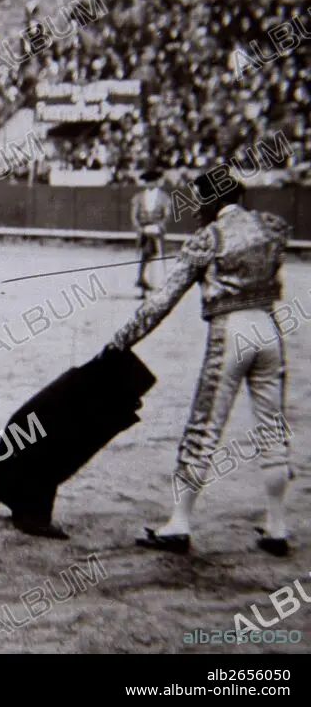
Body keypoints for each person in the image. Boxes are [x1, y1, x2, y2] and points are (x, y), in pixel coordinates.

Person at [105, 169, 294, 557]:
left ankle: (179, 523)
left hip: (230, 332)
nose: (194, 210)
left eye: (199, 201)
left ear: (214, 200)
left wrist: (122, 340)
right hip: (269, 329)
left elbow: (161, 302)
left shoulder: (209, 239)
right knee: (272, 429)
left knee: (203, 428)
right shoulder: (273, 227)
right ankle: (277, 527)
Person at [129, 168, 172, 297]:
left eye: (152, 181)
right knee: (143, 258)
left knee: (158, 257)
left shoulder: (164, 197)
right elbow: (134, 216)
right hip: (143, 231)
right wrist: (140, 229)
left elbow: (167, 215)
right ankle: (143, 288)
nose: (150, 183)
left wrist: (159, 227)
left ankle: (158, 288)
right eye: (148, 181)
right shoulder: (138, 197)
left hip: (157, 231)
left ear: (157, 182)